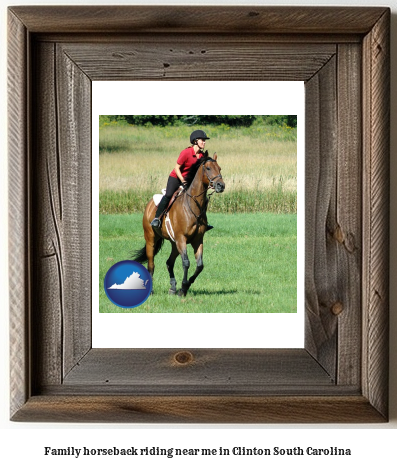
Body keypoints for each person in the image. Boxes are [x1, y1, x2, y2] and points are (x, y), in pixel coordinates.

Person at [150, 130, 213, 230]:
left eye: (205, 141)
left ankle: (203, 222)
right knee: (169, 194)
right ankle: (157, 218)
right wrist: (183, 180)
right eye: (202, 140)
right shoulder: (186, 152)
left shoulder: (201, 156)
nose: (204, 142)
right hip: (176, 177)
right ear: (195, 141)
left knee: (203, 198)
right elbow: (176, 168)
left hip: (189, 180)